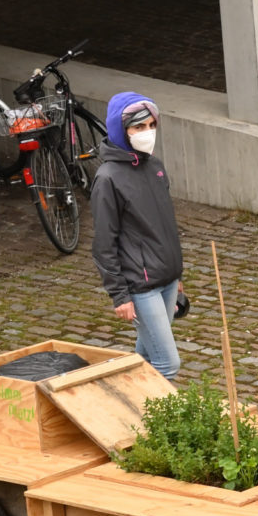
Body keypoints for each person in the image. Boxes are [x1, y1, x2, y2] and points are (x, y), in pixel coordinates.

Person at [91, 93, 186, 378]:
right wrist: (120, 296)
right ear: (123, 131)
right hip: (141, 286)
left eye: (151, 125)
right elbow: (104, 244)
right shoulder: (107, 178)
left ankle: (131, 413)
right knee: (167, 364)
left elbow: (164, 225)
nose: (147, 133)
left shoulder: (155, 167)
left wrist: (177, 274)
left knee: (145, 357)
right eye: (138, 127)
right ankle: (157, 423)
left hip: (167, 279)